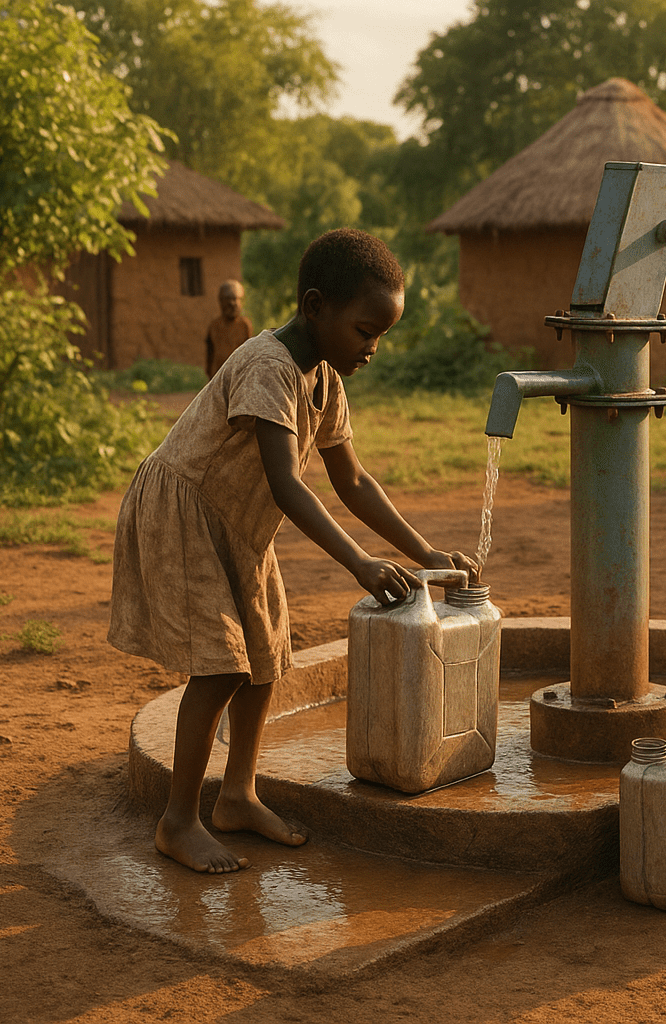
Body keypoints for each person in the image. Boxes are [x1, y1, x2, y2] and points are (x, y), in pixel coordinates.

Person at [110, 228, 478, 874]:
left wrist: (427, 552)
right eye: (366, 331)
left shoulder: (326, 380)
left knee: (266, 659)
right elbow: (287, 481)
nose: (373, 349)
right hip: (186, 510)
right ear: (315, 308)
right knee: (221, 668)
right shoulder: (267, 365)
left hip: (241, 525)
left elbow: (354, 481)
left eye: (381, 335)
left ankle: (238, 795)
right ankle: (177, 821)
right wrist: (359, 563)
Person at [205, 279, 253, 378]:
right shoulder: (214, 326)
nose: (232, 303)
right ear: (221, 301)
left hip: (239, 376)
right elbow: (210, 353)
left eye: (235, 299)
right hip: (218, 376)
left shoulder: (245, 325)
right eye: (228, 299)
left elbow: (250, 354)